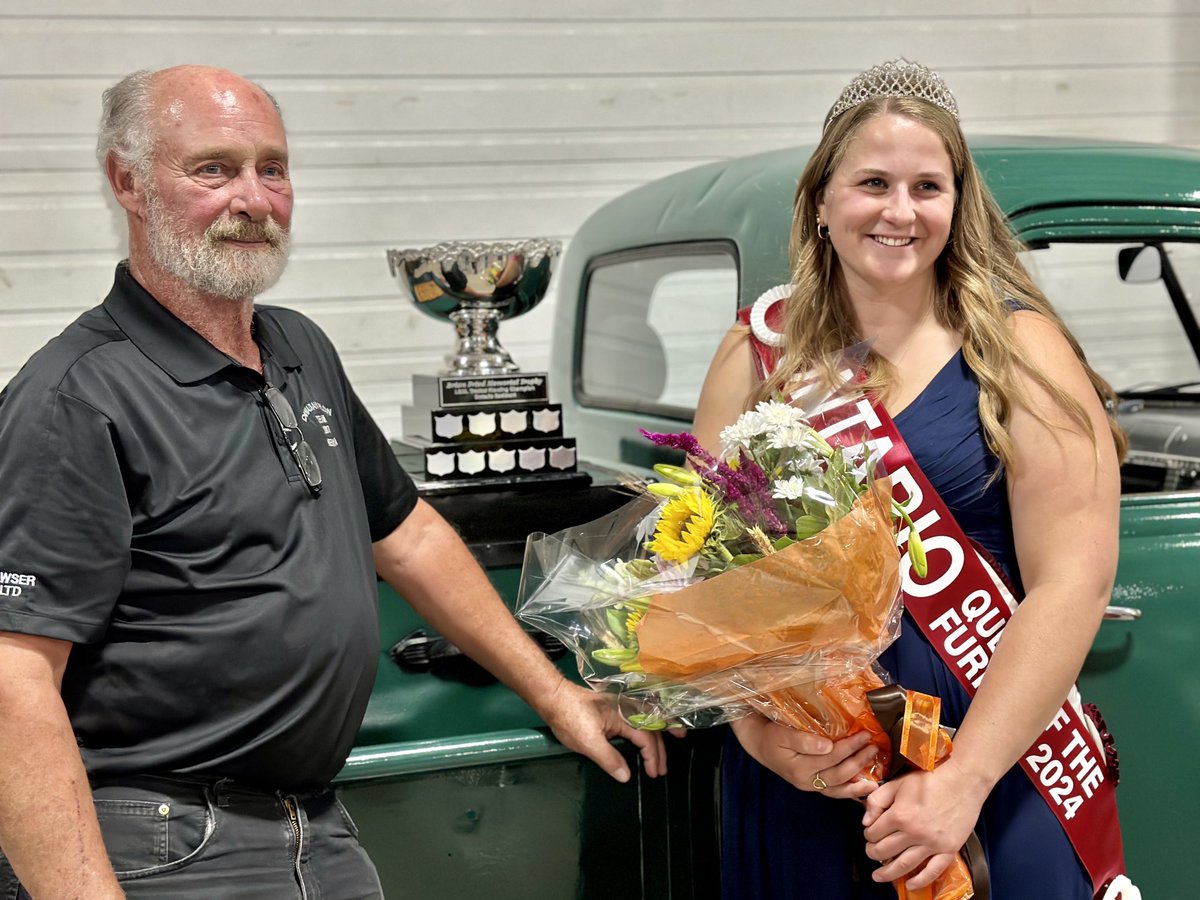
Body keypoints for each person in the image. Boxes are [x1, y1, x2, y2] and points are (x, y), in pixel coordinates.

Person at [0, 65, 667, 899]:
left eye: (271, 168)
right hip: (160, 843)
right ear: (126, 182)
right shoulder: (74, 399)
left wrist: (558, 695)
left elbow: (409, 533)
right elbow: (13, 676)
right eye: (213, 168)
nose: (253, 198)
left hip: (312, 823)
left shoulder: (297, 347)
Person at [691, 60, 1128, 899]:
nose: (900, 211)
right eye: (872, 183)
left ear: (957, 204)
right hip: (813, 772)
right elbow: (708, 587)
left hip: (993, 766)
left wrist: (959, 787)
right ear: (821, 201)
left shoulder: (1021, 353)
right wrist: (757, 735)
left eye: (928, 185)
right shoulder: (757, 354)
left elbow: (1074, 580)